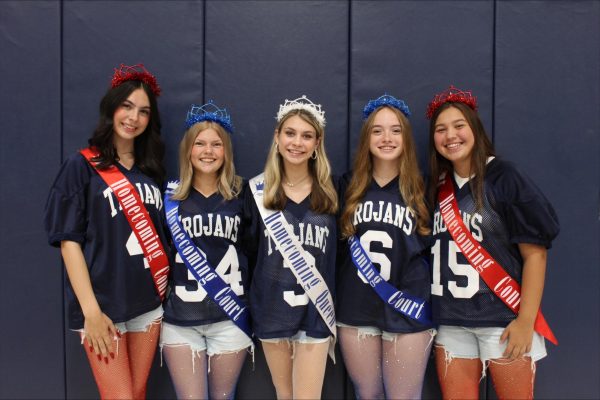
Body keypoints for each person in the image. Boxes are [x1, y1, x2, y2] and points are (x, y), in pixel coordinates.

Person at [44, 63, 169, 399]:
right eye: (127, 106)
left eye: (143, 111)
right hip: (102, 308)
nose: (133, 117)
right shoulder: (81, 166)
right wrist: (91, 313)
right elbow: (68, 242)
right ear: (111, 108)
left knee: (139, 391)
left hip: (148, 304)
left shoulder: (152, 171)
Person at [426, 85, 560, 399]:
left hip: (503, 320)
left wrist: (526, 320)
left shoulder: (504, 176)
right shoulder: (436, 187)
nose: (451, 136)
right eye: (441, 130)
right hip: (451, 321)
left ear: (475, 129)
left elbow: (536, 254)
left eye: (459, 126)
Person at [336, 95, 434, 399]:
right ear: (367, 138)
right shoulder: (346, 185)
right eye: (377, 130)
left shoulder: (424, 187)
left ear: (406, 138)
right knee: (368, 394)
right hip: (356, 309)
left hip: (408, 308)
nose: (387, 138)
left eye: (395, 130)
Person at [244, 95, 338, 399]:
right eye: (290, 133)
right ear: (277, 136)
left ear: (317, 143)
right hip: (272, 312)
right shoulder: (256, 192)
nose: (297, 142)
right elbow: (250, 252)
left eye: (306, 136)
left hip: (316, 312)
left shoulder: (333, 193)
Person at [160, 102, 253, 399]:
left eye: (216, 144)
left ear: (227, 151)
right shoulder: (170, 197)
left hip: (230, 318)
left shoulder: (243, 195)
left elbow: (254, 250)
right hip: (180, 322)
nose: (208, 151)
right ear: (188, 150)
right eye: (200, 143)